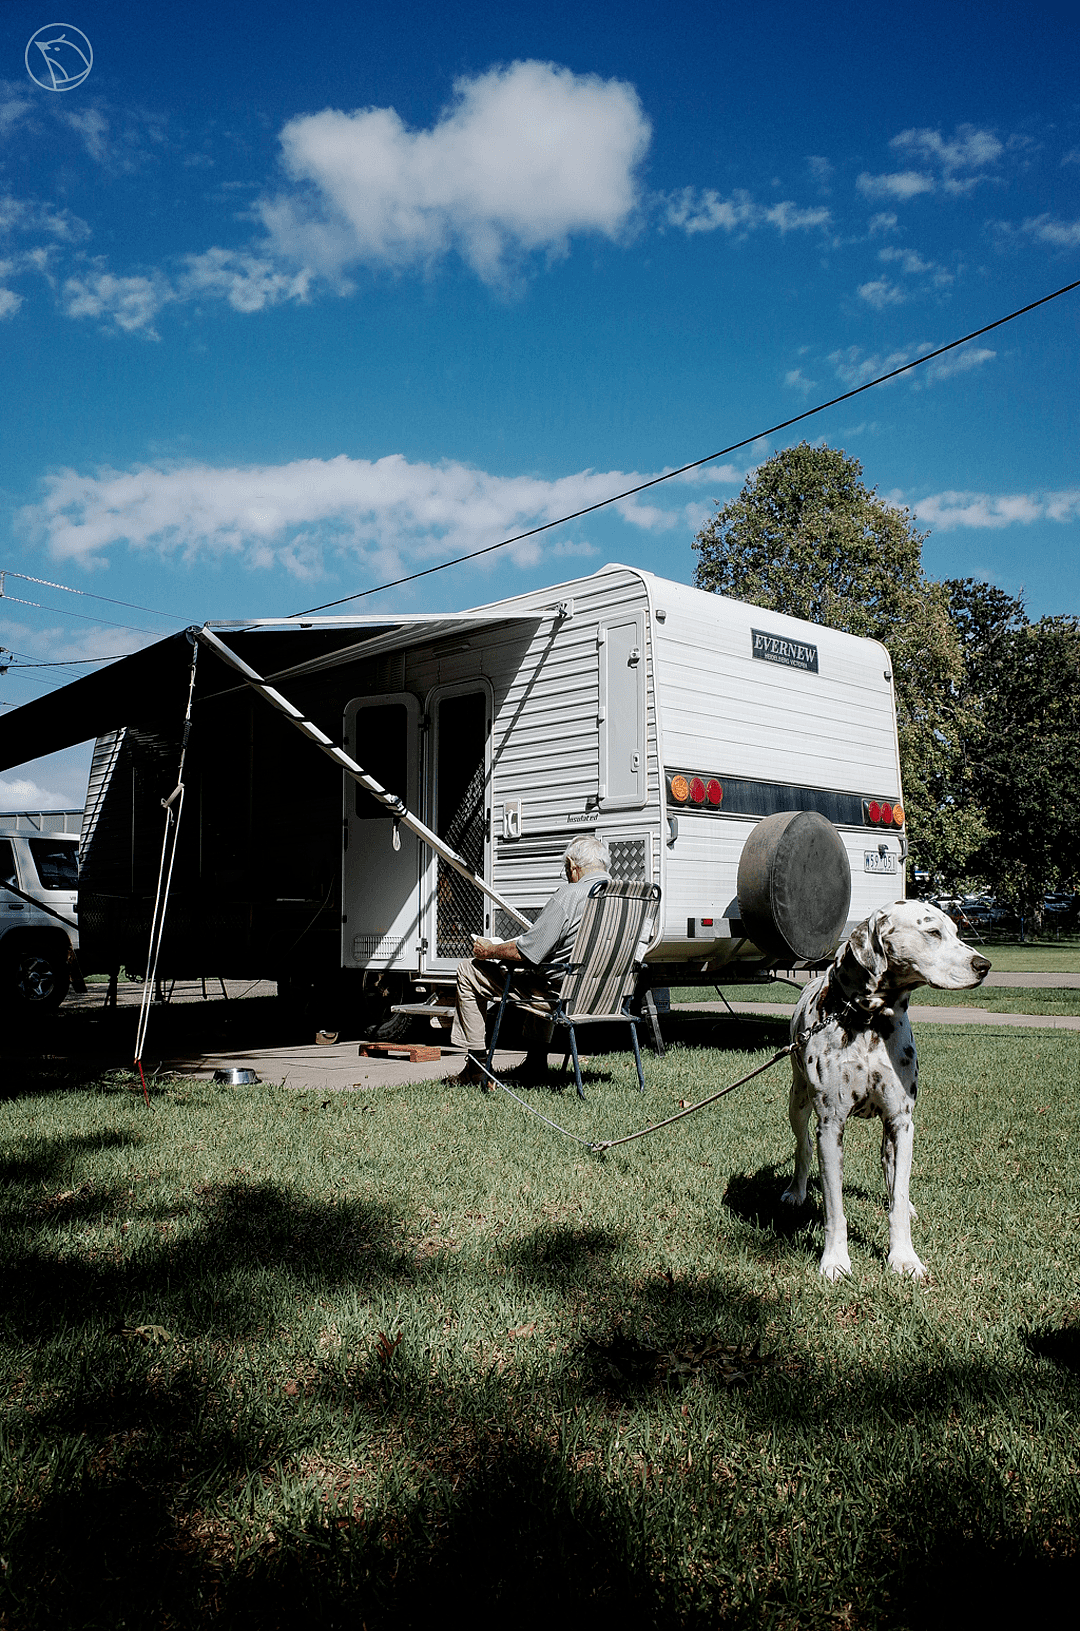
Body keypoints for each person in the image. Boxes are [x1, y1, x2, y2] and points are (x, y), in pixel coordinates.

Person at [450, 835, 612, 1086]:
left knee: (468, 970)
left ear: (572, 866)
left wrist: (490, 950)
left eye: (566, 870)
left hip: (563, 998)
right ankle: (536, 1063)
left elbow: (529, 952)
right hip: (609, 996)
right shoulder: (631, 896)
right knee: (544, 973)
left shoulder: (571, 895)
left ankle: (477, 1066)